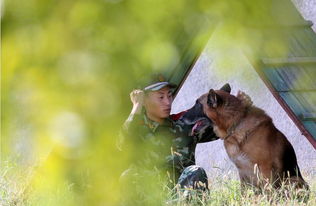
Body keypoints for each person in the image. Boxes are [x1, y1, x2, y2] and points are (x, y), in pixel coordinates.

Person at [117, 74, 250, 204]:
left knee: (195, 172)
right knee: (129, 176)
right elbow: (123, 142)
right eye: (161, 97)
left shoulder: (184, 125)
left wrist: (242, 110)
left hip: (180, 199)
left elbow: (224, 130)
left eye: (169, 95)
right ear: (145, 100)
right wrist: (136, 107)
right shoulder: (138, 130)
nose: (168, 102)